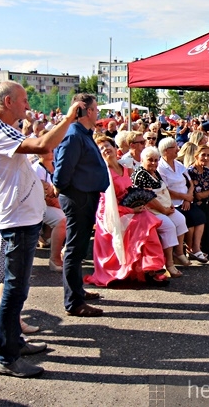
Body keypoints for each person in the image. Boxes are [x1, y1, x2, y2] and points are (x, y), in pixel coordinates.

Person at [0, 81, 83, 378]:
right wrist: (67, 119)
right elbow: (42, 147)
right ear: (9, 101)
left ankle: (16, 342)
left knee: (19, 287)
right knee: (14, 290)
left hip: (25, 217)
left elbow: (35, 148)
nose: (28, 105)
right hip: (16, 219)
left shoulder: (7, 128)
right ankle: (7, 356)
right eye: (24, 100)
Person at [53, 93, 110, 319]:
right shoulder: (74, 135)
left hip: (86, 195)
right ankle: (74, 302)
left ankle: (77, 290)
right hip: (78, 197)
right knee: (75, 250)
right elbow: (61, 174)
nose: (97, 113)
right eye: (95, 109)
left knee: (78, 249)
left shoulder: (83, 134)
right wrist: (72, 191)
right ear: (87, 111)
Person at [85, 136, 168, 286]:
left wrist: (139, 203)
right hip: (110, 213)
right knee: (145, 221)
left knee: (147, 218)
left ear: (114, 148)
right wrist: (129, 209)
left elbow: (131, 191)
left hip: (129, 210)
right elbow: (105, 205)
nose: (105, 149)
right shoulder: (102, 172)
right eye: (101, 148)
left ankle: (152, 266)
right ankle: (147, 268)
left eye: (107, 145)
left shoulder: (126, 168)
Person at [133, 146, 191, 274]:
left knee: (181, 219)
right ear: (142, 160)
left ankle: (179, 253)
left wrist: (169, 205)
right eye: (150, 160)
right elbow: (149, 199)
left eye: (156, 160)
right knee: (169, 226)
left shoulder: (155, 172)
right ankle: (168, 264)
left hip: (163, 207)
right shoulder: (141, 174)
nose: (154, 163)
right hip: (148, 211)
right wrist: (164, 210)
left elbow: (163, 191)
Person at [157, 137, 208, 263]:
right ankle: (187, 250)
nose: (177, 149)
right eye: (174, 147)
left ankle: (196, 249)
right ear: (165, 151)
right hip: (173, 203)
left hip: (185, 200)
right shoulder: (160, 168)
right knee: (188, 220)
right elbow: (166, 190)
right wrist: (183, 197)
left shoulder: (179, 165)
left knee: (200, 216)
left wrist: (188, 197)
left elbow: (190, 183)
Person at [32, 144, 67, 272]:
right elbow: (43, 194)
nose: (52, 152)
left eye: (53, 149)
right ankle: (54, 258)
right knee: (63, 219)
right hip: (39, 205)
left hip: (56, 202)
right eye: (48, 150)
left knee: (77, 216)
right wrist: (60, 204)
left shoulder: (55, 164)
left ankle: (66, 251)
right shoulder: (36, 169)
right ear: (40, 153)